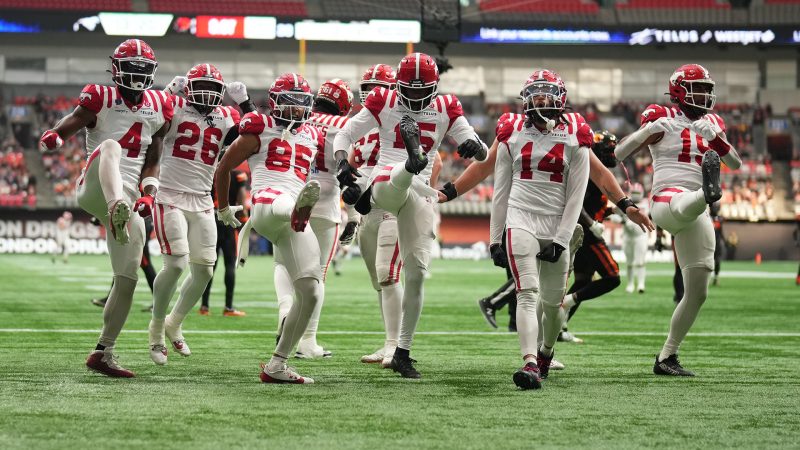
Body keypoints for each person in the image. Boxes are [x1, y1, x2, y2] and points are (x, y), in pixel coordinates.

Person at [333, 53, 488, 378]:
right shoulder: (383, 100)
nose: (416, 98)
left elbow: (480, 147)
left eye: (422, 91)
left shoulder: (446, 106)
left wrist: (475, 147)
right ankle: (409, 161)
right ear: (399, 86)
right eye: (410, 91)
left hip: (417, 192)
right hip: (387, 176)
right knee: (392, 183)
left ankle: (402, 351)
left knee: (415, 273)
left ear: (433, 87)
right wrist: (342, 162)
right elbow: (345, 134)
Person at [39, 39, 172, 378]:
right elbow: (69, 122)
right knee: (111, 145)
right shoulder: (100, 97)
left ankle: (103, 351)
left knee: (126, 280)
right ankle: (116, 207)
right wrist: (55, 137)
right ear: (116, 70)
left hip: (130, 193)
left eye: (143, 70)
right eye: (132, 69)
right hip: (96, 185)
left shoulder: (160, 104)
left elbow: (153, 159)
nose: (138, 76)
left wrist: (149, 194)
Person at [615, 64, 742, 376]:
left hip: (695, 209)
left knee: (698, 291)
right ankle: (708, 193)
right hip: (667, 198)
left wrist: (718, 139)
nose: (705, 94)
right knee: (690, 201)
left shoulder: (713, 121)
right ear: (679, 91)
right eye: (698, 88)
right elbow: (618, 153)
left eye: (707, 88)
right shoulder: (662, 115)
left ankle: (666, 356)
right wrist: (647, 130)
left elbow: (735, 163)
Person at [216, 72, 324, 384]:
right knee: (280, 200)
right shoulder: (258, 127)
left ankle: (278, 364)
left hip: (292, 219)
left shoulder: (314, 135)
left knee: (312, 292)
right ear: (275, 103)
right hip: (265, 204)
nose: (294, 110)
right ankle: (296, 208)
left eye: (300, 103)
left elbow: (335, 169)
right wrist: (223, 208)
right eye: (288, 103)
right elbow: (224, 167)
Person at [487, 69, 591, 389]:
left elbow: (577, 193)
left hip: (556, 221)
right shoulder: (511, 131)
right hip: (521, 218)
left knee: (553, 304)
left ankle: (546, 351)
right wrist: (494, 238)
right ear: (526, 99)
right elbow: (501, 190)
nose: (542, 100)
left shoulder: (577, 133)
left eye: (548, 94)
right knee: (526, 293)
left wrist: (562, 238)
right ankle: (530, 363)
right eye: (537, 94)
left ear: (561, 100)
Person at [146, 64, 254, 365]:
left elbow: (256, 133)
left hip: (203, 199)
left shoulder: (226, 115)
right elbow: (149, 119)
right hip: (169, 194)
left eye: (212, 87)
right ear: (189, 88)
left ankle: (174, 321)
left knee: (206, 269)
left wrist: (245, 103)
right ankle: (155, 327)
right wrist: (168, 92)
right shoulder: (176, 105)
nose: (206, 93)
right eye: (200, 86)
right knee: (177, 262)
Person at [274, 78, 354, 359]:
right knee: (317, 273)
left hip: (291, 196)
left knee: (283, 263)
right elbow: (351, 172)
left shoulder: (298, 115)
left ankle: (285, 309)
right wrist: (353, 216)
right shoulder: (345, 126)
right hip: (326, 203)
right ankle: (307, 340)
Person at [559, 131, 623, 344]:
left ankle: (560, 327)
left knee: (583, 280)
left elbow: (593, 205)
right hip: (585, 234)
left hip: (585, 231)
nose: (612, 153)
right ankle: (566, 302)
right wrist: (592, 224)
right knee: (612, 276)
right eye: (608, 150)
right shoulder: (589, 173)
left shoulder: (597, 172)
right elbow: (577, 204)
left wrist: (612, 213)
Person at [200, 168, 249, 316]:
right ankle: (228, 307)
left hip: (210, 219)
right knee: (229, 265)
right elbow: (241, 197)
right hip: (228, 219)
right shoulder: (236, 174)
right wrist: (244, 217)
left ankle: (204, 306)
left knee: (209, 265)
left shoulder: (208, 171)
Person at [91, 216, 157, 308]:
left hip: (140, 222)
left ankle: (159, 301)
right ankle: (111, 298)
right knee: (123, 263)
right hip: (140, 221)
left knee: (144, 264)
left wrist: (99, 217)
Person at [622, 182, 650, 293]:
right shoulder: (625, 203)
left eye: (637, 192)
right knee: (629, 262)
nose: (636, 194)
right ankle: (630, 284)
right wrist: (621, 220)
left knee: (640, 261)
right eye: (634, 192)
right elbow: (617, 215)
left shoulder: (646, 203)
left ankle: (641, 284)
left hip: (641, 236)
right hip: (628, 235)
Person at [709, 201, 723, 286]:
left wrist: (724, 240)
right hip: (708, 242)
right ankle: (707, 278)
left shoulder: (720, 219)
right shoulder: (706, 217)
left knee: (717, 261)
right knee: (708, 262)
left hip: (717, 243)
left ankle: (716, 277)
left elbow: (721, 231)